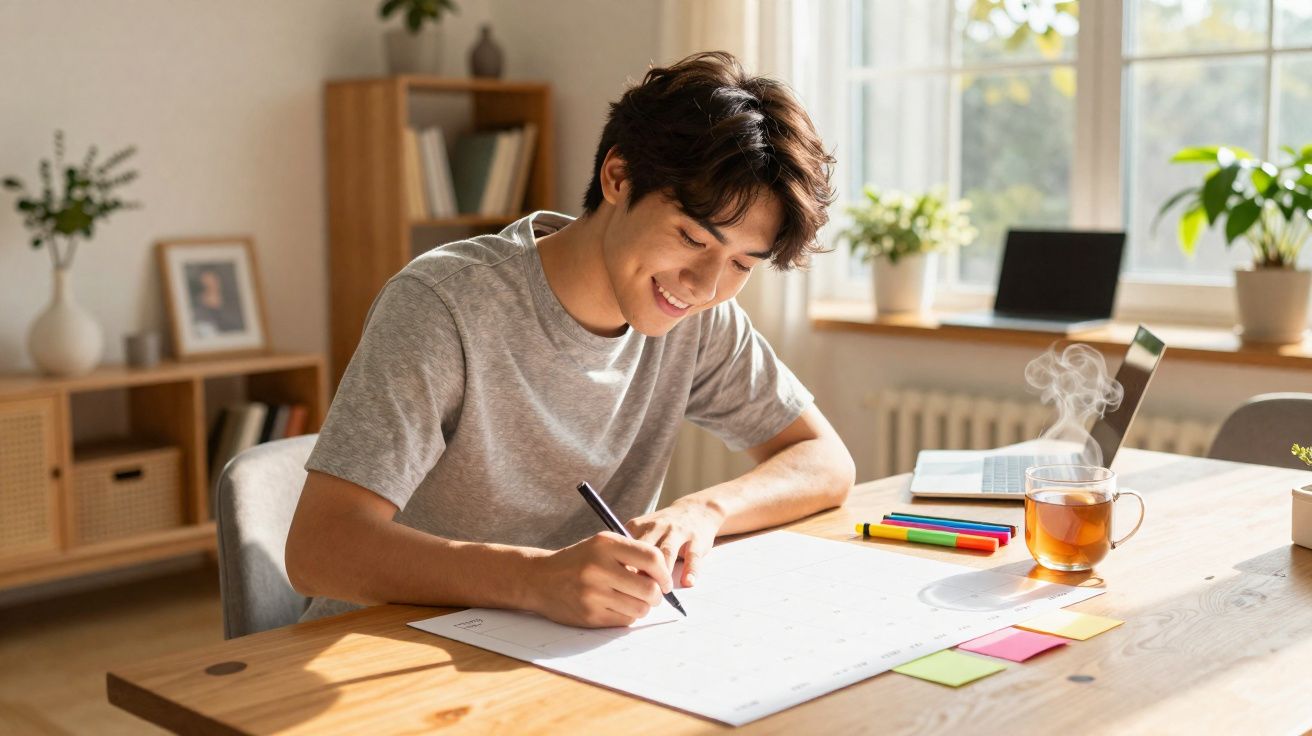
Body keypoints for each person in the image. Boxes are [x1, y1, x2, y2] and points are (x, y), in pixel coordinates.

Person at [285, 51, 855, 628]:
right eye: (691, 238)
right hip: (381, 642)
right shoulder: (446, 303)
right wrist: (533, 579)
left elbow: (825, 460)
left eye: (741, 264)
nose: (705, 285)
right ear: (618, 177)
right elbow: (319, 550)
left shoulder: (698, 318)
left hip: (555, 646)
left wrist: (703, 511)